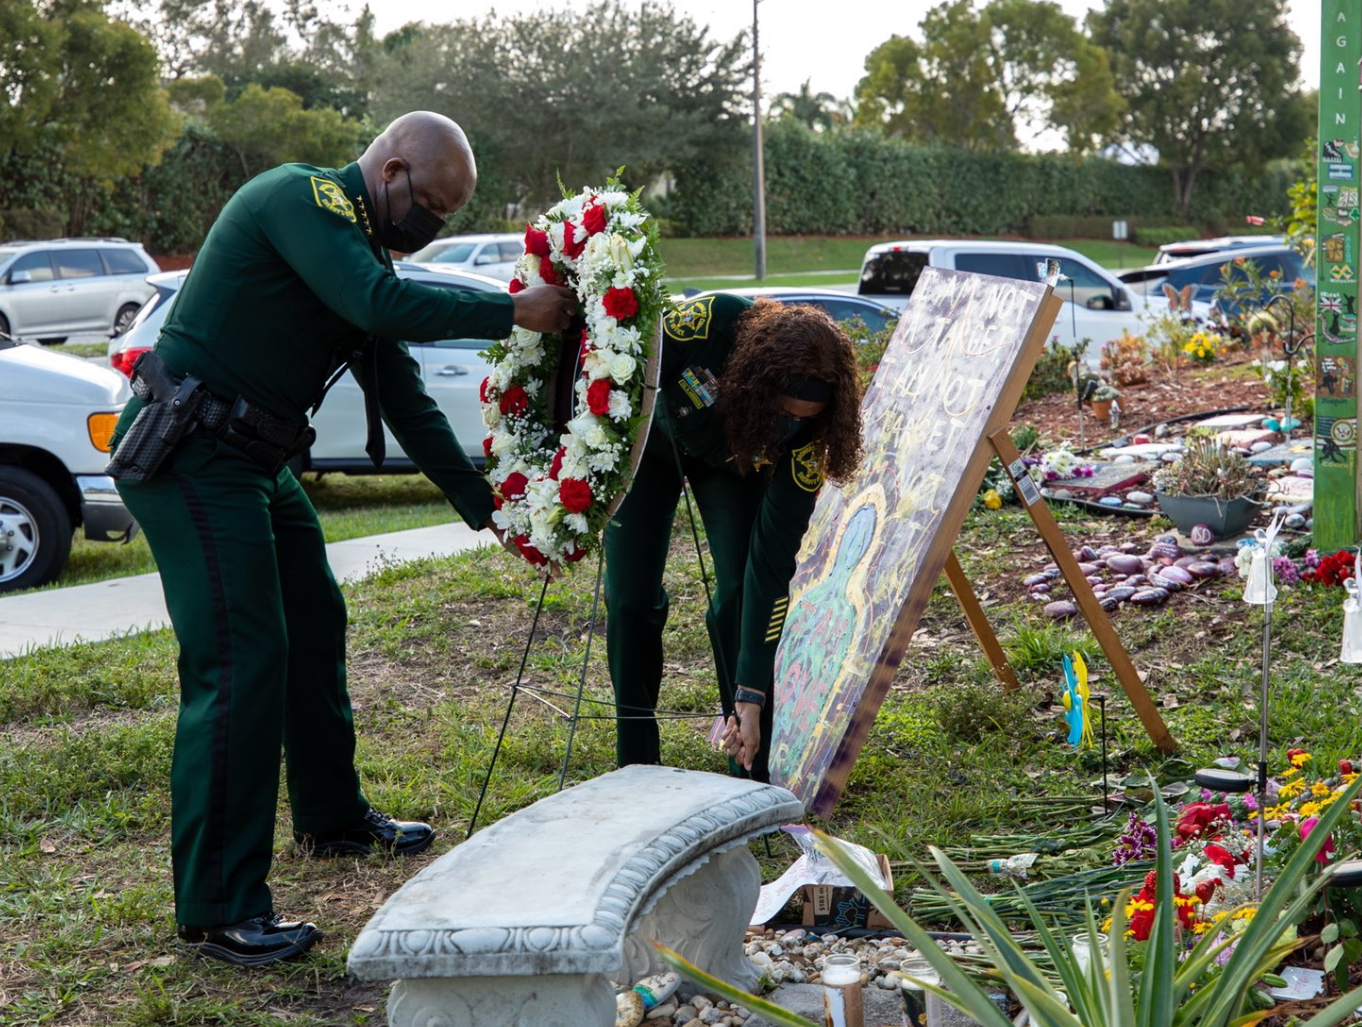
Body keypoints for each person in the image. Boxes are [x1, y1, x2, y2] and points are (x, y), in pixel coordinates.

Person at [108, 112, 576, 968]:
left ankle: (330, 818)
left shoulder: (362, 257)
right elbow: (377, 304)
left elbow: (404, 397)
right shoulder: (302, 198)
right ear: (390, 171)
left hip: (252, 461)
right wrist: (514, 312)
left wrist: (492, 511)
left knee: (315, 624)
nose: (428, 226)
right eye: (428, 205)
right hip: (192, 451)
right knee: (241, 660)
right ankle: (219, 908)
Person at [604, 296, 863, 779]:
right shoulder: (700, 328)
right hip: (646, 448)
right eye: (785, 413)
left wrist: (751, 696)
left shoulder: (806, 444)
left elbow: (770, 570)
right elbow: (609, 366)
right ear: (754, 382)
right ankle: (635, 761)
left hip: (734, 462)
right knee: (628, 601)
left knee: (740, 593)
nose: (793, 426)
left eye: (803, 420)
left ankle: (746, 755)